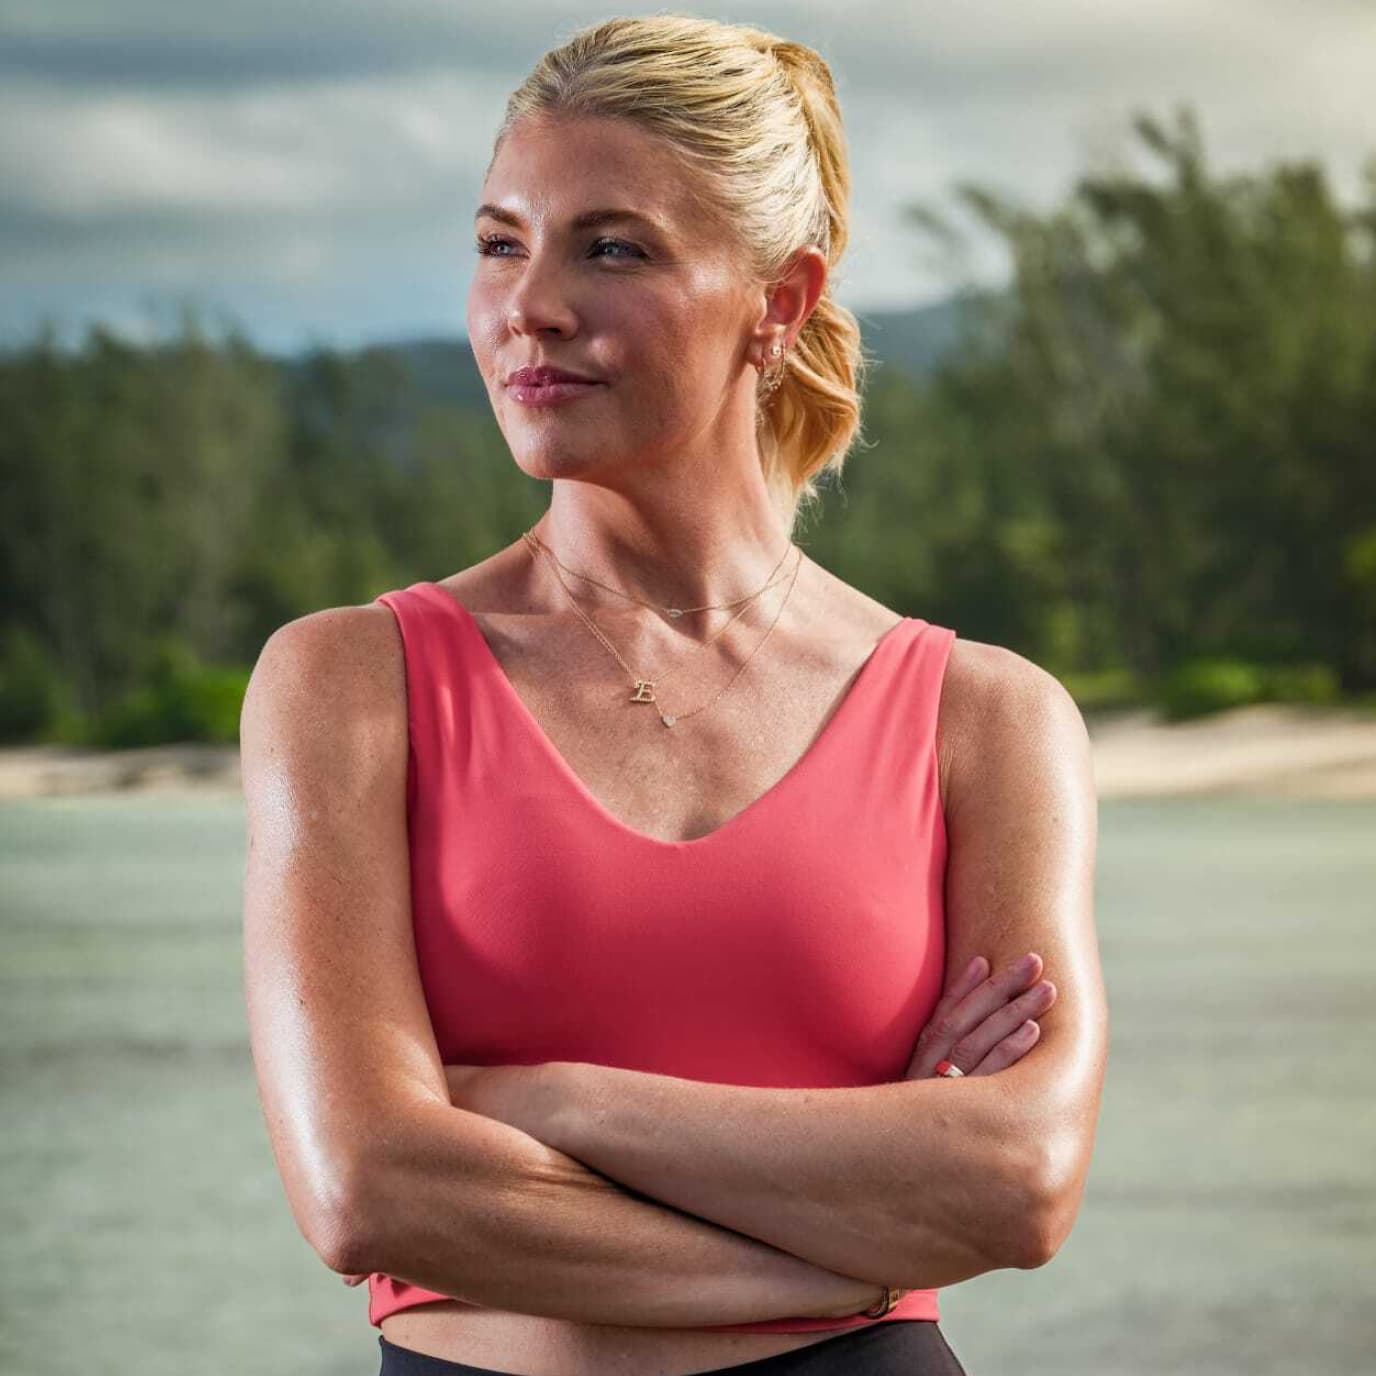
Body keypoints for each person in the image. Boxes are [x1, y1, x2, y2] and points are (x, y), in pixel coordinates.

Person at [241, 14, 1107, 1376]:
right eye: (498, 243)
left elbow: (1018, 1184)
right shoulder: (351, 686)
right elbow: (370, 1192)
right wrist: (852, 1242)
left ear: (779, 298)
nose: (529, 303)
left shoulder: (983, 721)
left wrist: (547, 1100)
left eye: (613, 248)